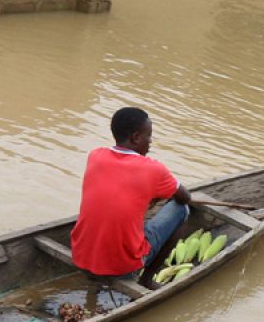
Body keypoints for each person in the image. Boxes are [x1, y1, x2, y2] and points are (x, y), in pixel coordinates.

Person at [70, 107, 192, 282]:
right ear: (136, 137)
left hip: (80, 257)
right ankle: (147, 279)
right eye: (148, 136)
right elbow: (185, 197)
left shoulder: (95, 155)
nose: (150, 141)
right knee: (182, 210)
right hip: (122, 267)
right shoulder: (154, 169)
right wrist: (160, 195)